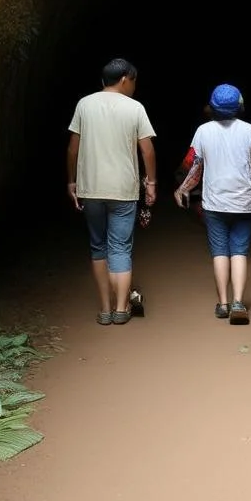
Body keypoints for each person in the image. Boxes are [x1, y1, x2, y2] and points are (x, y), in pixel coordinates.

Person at [67, 58, 156, 326]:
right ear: (125, 79)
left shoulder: (84, 104)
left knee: (98, 247)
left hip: (91, 188)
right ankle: (121, 309)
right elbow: (147, 150)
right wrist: (151, 183)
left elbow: (73, 148)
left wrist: (71, 182)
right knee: (120, 248)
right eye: (134, 81)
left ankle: (105, 309)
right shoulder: (135, 108)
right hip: (123, 190)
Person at [175, 84, 251, 324]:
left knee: (219, 252)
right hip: (244, 201)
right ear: (239, 106)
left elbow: (195, 166)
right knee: (239, 251)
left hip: (214, 202)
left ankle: (223, 304)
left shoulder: (203, 131)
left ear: (213, 107)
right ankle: (238, 302)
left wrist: (182, 189)